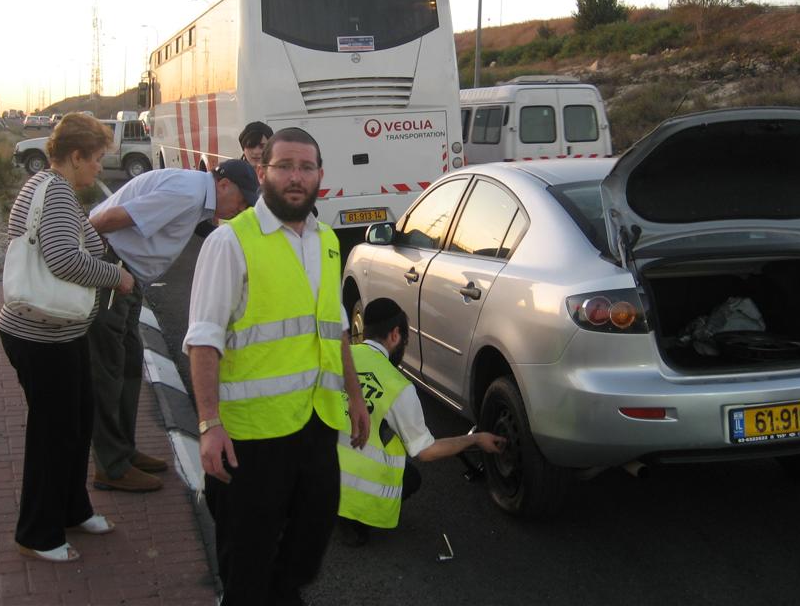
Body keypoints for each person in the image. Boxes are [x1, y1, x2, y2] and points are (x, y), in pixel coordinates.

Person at [185, 127, 370, 606]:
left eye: (306, 167)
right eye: (285, 166)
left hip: (315, 423)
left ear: (320, 177)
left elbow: (335, 329)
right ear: (262, 171)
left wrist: (354, 395)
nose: (296, 177)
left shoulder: (327, 241)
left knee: (310, 542)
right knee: (247, 562)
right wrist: (209, 424)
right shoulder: (230, 243)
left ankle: (282, 594)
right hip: (251, 437)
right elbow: (203, 340)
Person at [0, 114, 135, 564]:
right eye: (96, 159)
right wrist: (115, 277)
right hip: (41, 335)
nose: (100, 167)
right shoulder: (55, 191)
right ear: (75, 156)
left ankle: (74, 508)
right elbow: (61, 259)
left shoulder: (49, 187)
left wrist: (100, 255)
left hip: (61, 331)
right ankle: (37, 532)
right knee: (52, 434)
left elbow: (75, 245)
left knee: (77, 422)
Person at [88, 160, 259, 493]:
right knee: (108, 372)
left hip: (129, 277)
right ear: (223, 185)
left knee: (128, 366)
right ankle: (111, 466)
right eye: (242, 200)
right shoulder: (186, 193)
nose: (241, 209)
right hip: (114, 274)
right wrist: (92, 261)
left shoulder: (196, 196)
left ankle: (123, 451)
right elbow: (107, 220)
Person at [337, 298, 506, 547]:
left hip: (317, 477)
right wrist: (476, 439)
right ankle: (356, 517)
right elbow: (426, 451)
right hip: (350, 489)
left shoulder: (339, 358)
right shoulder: (398, 386)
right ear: (395, 335)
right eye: (405, 341)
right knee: (411, 477)